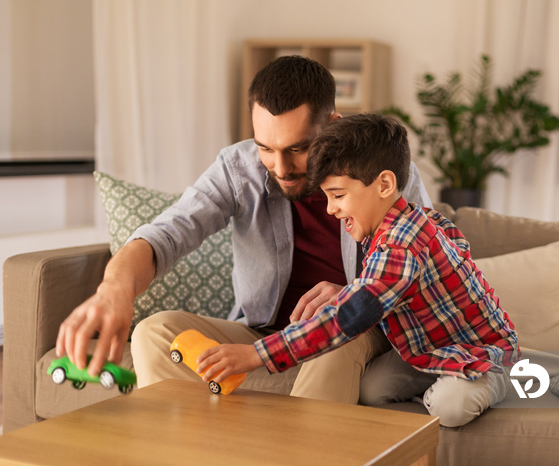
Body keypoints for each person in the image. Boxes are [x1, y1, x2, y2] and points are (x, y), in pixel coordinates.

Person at [55, 55, 432, 404]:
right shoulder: (239, 170)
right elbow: (167, 233)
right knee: (155, 332)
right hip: (263, 333)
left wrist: (356, 295)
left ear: (332, 126)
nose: (280, 168)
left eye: (298, 148)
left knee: (338, 330)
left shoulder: (384, 174)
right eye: (266, 147)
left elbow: (427, 270)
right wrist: (114, 290)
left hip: (357, 332)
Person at [197, 113, 520, 427]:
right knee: (372, 391)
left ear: (384, 185)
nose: (331, 209)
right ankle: (446, 382)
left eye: (338, 195)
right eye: (326, 196)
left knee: (449, 407)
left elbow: (347, 317)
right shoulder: (408, 221)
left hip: (480, 351)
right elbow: (451, 249)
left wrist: (257, 355)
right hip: (427, 349)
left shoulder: (401, 246)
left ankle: (513, 374)